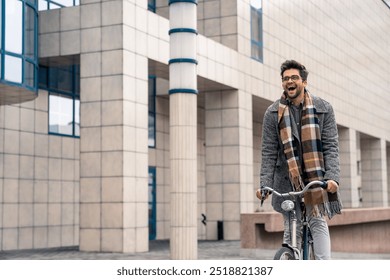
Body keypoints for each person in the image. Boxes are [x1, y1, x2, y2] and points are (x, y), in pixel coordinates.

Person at [256, 60, 342, 260]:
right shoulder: (272, 113)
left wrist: (332, 178)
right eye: (285, 79)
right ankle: (290, 257)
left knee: (317, 221)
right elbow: (268, 152)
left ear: (303, 81)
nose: (289, 81)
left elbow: (331, 146)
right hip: (287, 180)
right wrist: (265, 185)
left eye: (294, 77)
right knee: (290, 227)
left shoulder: (323, 109)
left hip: (316, 178)